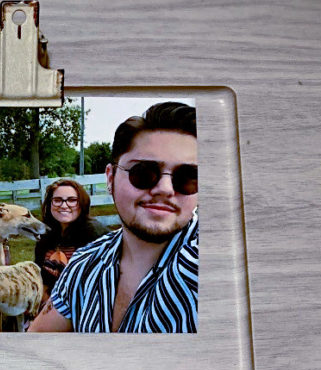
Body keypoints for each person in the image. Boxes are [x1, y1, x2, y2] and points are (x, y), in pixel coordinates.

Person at [28, 101, 198, 333]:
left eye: (188, 177)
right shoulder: (84, 263)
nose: (165, 189)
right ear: (110, 178)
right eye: (144, 173)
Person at [35, 179, 109, 301]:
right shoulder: (45, 234)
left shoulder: (94, 234)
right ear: (50, 204)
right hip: (49, 300)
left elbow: (100, 282)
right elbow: (39, 275)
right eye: (57, 200)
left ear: (82, 203)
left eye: (72, 200)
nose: (64, 205)